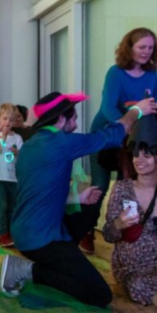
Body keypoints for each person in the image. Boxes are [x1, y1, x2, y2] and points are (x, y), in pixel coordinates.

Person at [0, 91, 157, 308]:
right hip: (40, 240)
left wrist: (77, 197)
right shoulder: (60, 143)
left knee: (90, 209)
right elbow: (112, 134)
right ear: (61, 119)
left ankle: (60, 262)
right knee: (100, 295)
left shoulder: (32, 146)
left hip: (26, 229)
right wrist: (138, 110)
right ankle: (28, 270)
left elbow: (38, 194)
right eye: (73, 118)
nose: (76, 123)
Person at [85, 27, 157, 254]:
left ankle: (134, 233)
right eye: (142, 47)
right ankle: (87, 230)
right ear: (129, 47)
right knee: (100, 185)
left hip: (138, 138)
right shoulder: (115, 72)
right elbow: (108, 109)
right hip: (107, 133)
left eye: (151, 48)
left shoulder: (154, 74)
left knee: (132, 184)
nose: (147, 52)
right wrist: (128, 124)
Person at [102, 115, 157, 306]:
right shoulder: (122, 188)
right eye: (135, 154)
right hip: (133, 269)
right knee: (139, 285)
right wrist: (118, 223)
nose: (139, 160)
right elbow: (108, 235)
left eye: (146, 155)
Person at [0, 104, 23, 247]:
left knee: (12, 206)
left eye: (11, 119)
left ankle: (12, 232)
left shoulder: (18, 138)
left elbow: (22, 155)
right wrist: (2, 136)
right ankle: (2, 233)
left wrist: (17, 153)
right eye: (4, 118)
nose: (7, 122)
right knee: (2, 205)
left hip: (12, 178)